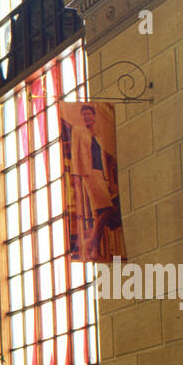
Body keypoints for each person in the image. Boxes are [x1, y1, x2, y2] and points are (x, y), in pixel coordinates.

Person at [68, 103, 121, 261]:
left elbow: (103, 160)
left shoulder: (98, 137)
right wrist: (76, 176)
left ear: (94, 116)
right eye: (84, 114)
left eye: (89, 113)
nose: (86, 116)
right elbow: (75, 153)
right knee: (109, 209)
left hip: (100, 175)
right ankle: (91, 243)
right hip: (89, 173)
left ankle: (94, 250)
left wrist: (107, 179)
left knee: (100, 212)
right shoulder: (78, 130)